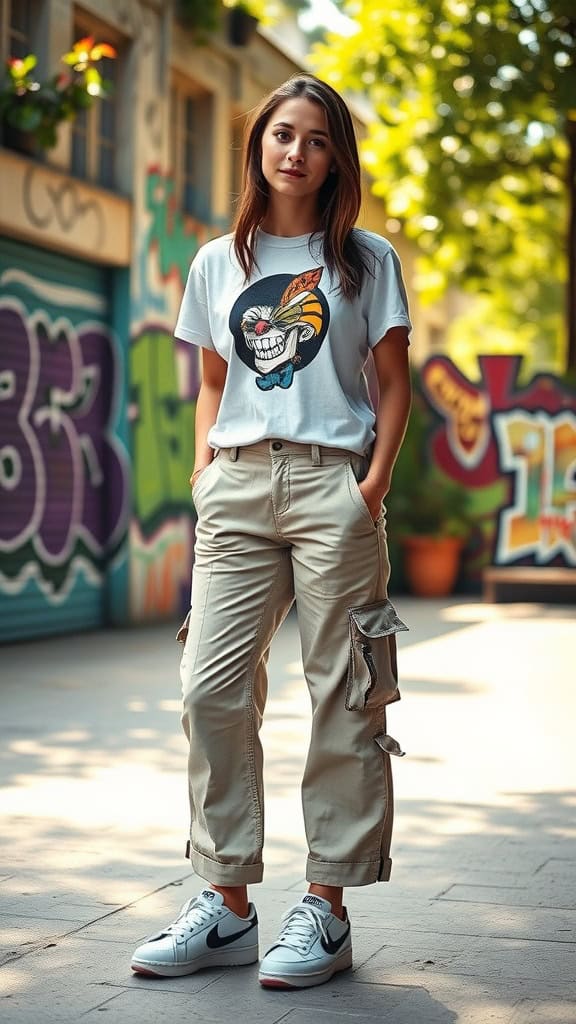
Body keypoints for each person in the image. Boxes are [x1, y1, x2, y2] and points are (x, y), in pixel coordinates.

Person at [131, 72, 412, 990]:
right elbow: (214, 377)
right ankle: (226, 906)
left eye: (317, 138)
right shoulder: (219, 260)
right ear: (258, 146)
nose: (296, 150)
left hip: (334, 483)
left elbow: (394, 382)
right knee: (209, 688)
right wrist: (208, 469)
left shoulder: (366, 258)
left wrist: (370, 485)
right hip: (241, 485)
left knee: (343, 694)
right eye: (282, 134)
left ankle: (326, 908)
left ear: (338, 157)